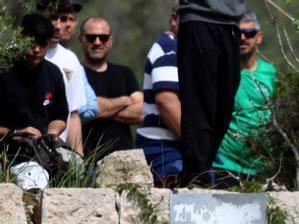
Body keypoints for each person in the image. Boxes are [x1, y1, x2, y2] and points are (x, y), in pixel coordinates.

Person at [176, 0, 246, 184]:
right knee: (199, 101)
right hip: (199, 17)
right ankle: (195, 175)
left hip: (231, 23)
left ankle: (204, 168)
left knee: (224, 106)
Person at [0, 14, 69, 189]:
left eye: (43, 44)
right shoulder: (4, 70)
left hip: (42, 148)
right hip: (10, 149)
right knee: (35, 179)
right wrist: (16, 132)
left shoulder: (53, 74)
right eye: (31, 43)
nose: (36, 50)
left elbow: (60, 115)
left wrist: (52, 134)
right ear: (20, 38)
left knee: (77, 166)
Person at [212, 11, 276, 185]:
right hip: (226, 164)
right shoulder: (221, 73)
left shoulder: (270, 74)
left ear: (259, 37)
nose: (242, 38)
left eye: (249, 33)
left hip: (262, 167)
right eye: (237, 33)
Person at [79, 16, 143, 159]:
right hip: (87, 163)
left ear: (111, 41)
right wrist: (125, 101)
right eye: (91, 37)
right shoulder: (75, 72)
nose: (97, 42)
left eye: (103, 37)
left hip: (126, 161)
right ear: (81, 40)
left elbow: (140, 113)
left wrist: (99, 109)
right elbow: (82, 109)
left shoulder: (125, 73)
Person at [135, 8, 182, 186]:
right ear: (174, 19)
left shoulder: (173, 47)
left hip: (169, 150)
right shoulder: (170, 49)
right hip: (166, 152)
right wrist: (197, 146)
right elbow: (166, 101)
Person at [36, 0, 87, 155]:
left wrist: (78, 161)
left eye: (63, 18)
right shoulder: (17, 54)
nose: (58, 26)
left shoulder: (70, 60)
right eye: (52, 18)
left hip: (57, 154)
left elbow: (73, 114)